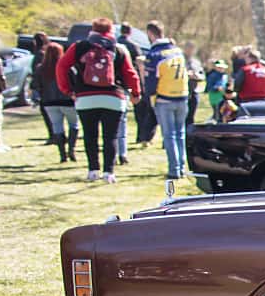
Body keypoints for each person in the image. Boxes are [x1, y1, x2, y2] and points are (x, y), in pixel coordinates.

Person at [57, 17, 141, 183]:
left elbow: (62, 66)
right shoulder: (119, 48)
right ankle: (109, 172)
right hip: (114, 98)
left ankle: (93, 170)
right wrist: (135, 93)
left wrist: (68, 90)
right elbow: (130, 74)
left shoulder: (79, 47)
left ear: (93, 30)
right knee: (111, 136)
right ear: (111, 31)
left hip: (85, 98)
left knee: (90, 135)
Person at [145, 25, 192, 182]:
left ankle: (174, 169)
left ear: (150, 33)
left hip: (165, 98)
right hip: (182, 95)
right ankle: (182, 167)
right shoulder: (177, 51)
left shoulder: (155, 54)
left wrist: (151, 97)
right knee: (180, 133)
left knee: (169, 135)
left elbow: (151, 81)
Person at [35, 33, 76, 161]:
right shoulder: (67, 68)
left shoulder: (40, 69)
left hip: (49, 102)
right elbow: (75, 83)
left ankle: (62, 154)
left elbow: (36, 85)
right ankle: (71, 149)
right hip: (67, 100)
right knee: (73, 125)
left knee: (57, 127)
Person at [204, 54, 231, 122]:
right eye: (219, 67)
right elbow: (209, 87)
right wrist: (217, 88)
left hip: (223, 97)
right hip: (215, 97)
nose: (221, 69)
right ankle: (217, 123)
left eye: (222, 67)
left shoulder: (225, 75)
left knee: (224, 112)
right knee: (217, 113)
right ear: (216, 67)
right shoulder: (212, 75)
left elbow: (226, 84)